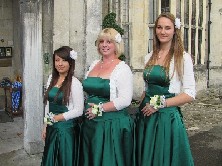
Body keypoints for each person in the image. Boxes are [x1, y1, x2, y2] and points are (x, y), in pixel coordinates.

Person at [136, 13, 195, 166]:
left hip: (166, 119)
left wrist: (159, 104)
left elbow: (189, 93)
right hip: (146, 117)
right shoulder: (149, 56)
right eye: (159, 27)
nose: (163, 32)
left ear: (175, 30)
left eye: (167, 28)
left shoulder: (182, 57)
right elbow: (147, 87)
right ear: (155, 30)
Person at [80, 28, 135, 166]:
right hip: (90, 125)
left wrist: (99, 109)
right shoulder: (94, 64)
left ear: (116, 45)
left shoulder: (122, 69)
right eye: (101, 41)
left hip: (110, 125)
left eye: (109, 41)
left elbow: (125, 100)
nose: (104, 45)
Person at [41, 46, 84, 166]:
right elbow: (48, 103)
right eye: (57, 60)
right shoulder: (51, 78)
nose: (60, 64)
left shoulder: (75, 83)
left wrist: (57, 118)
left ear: (70, 63)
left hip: (66, 130)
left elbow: (79, 110)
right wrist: (45, 124)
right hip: (52, 127)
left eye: (64, 60)